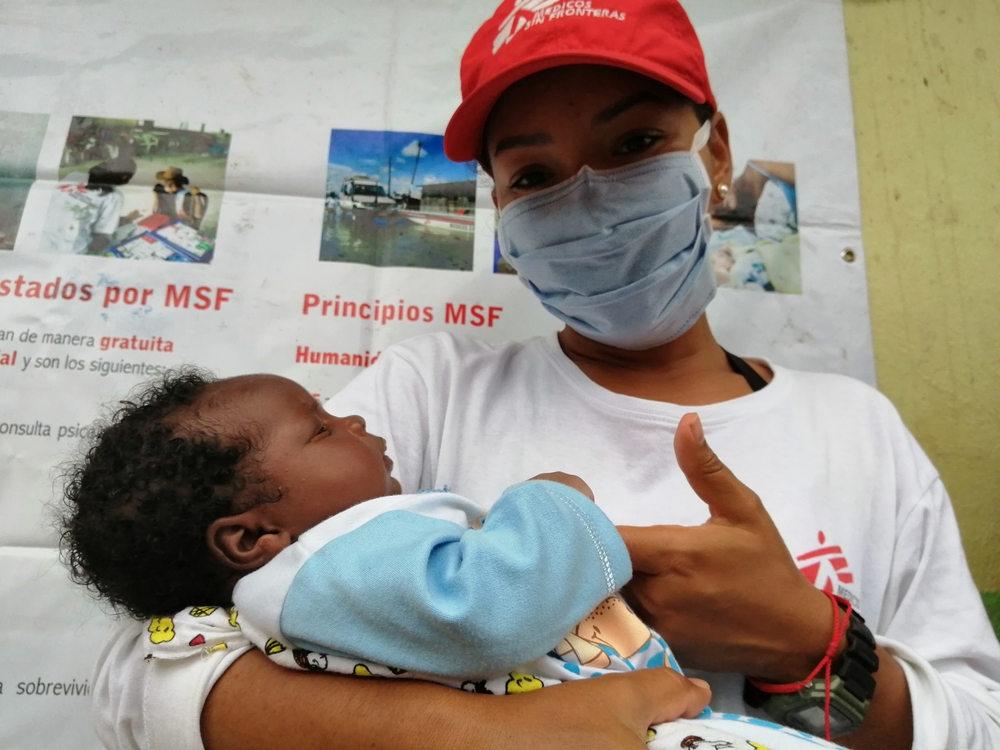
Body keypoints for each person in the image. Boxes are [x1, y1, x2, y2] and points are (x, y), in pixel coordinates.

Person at [90, 2, 1000, 749]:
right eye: (534, 173)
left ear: (715, 156)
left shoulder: (859, 427)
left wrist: (808, 651)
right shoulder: (428, 395)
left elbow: (978, 724)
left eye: (637, 143)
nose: (590, 199)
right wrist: (488, 736)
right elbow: (145, 664)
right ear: (502, 212)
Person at [66, 370, 843, 750]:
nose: (357, 415)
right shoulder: (329, 560)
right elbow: (482, 607)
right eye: (322, 428)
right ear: (248, 537)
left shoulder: (325, 575)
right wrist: (553, 498)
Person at [38, 157, 141, 255]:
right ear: (124, 178)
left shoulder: (74, 176)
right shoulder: (114, 197)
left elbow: (67, 208)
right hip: (66, 248)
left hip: (40, 234)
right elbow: (102, 235)